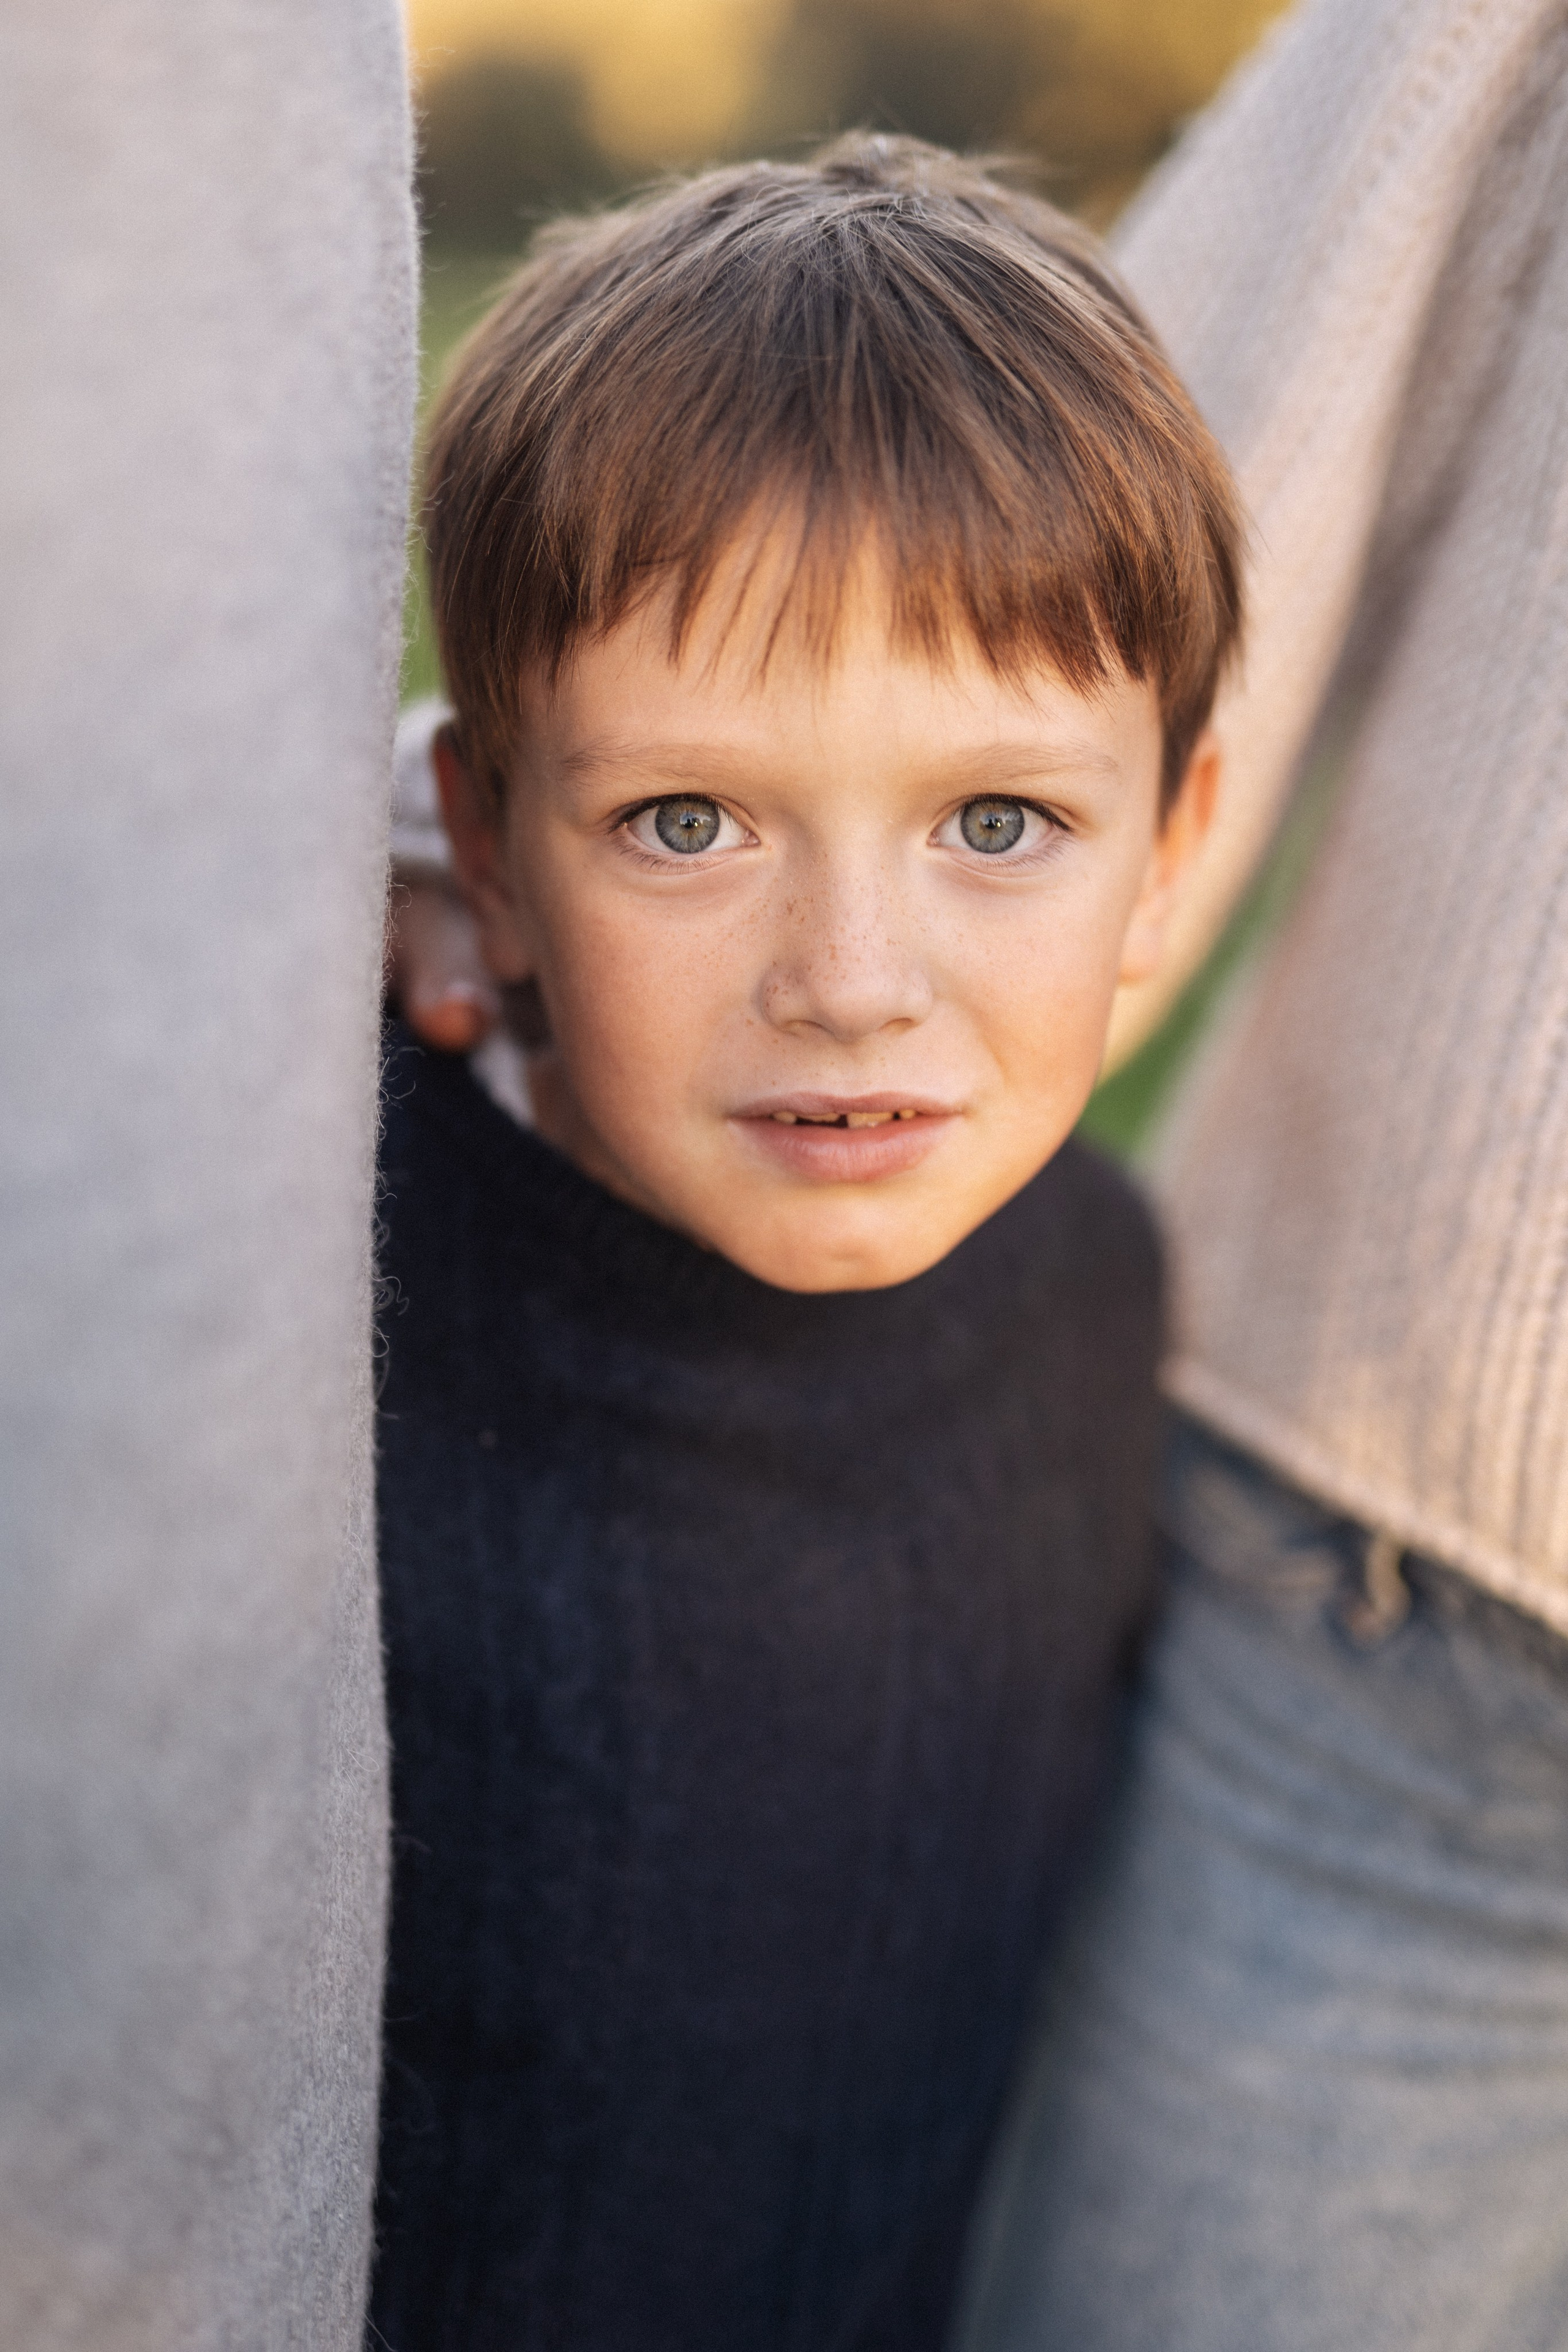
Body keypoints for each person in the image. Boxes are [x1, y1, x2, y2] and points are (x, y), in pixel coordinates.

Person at [370, 135, 1241, 2351]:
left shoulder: (1102, 1310)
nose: (852, 982)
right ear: (484, 845)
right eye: (688, 822)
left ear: (1169, 857)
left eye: (998, 823)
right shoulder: (314, 1295)